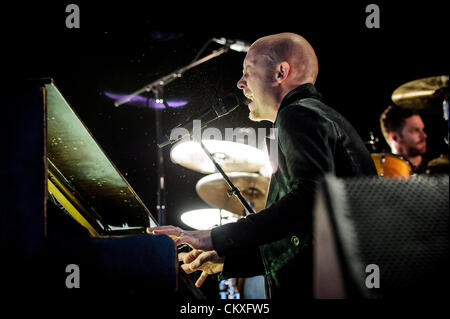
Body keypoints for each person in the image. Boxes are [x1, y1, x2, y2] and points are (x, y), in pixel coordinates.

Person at [148, 32, 377, 298]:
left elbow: (312, 201)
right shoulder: (312, 115)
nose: (240, 83)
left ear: (281, 72)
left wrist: (215, 236)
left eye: (248, 71)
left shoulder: (298, 114)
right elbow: (307, 234)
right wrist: (231, 259)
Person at [379, 105, 429, 173]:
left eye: (422, 129)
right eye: (415, 130)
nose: (424, 135)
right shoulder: (380, 175)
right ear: (395, 138)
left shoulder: (438, 171)